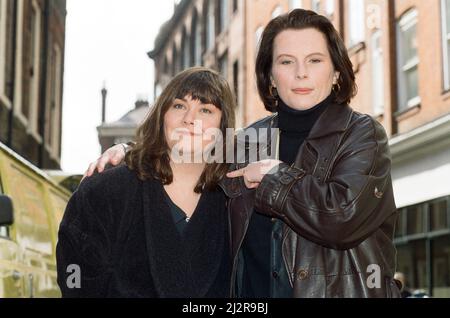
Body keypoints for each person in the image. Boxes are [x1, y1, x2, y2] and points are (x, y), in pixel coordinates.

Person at [85, 9, 401, 298]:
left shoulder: (363, 134)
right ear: (271, 77)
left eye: (315, 60)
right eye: (286, 61)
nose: (300, 73)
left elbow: (341, 218)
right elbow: (188, 155)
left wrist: (274, 176)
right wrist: (128, 153)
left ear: (336, 73)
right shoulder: (249, 141)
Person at [56, 67, 236, 297]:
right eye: (179, 106)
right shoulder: (104, 192)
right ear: (162, 115)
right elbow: (75, 276)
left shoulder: (237, 199)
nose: (190, 119)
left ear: (223, 125)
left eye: (205, 110)